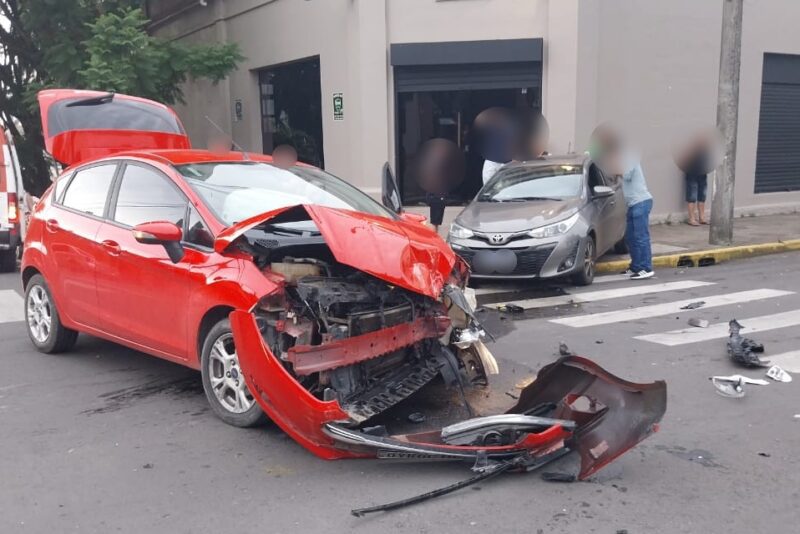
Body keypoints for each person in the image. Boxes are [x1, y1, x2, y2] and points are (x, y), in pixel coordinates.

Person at [589, 124, 654, 280]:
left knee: (640, 236)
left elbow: (624, 172)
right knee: (631, 237)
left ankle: (646, 267)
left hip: (641, 202)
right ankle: (635, 266)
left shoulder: (629, 155)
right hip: (633, 204)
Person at [680, 136, 710, 225]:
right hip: (692, 176)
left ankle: (702, 217)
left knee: (702, 197)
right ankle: (691, 219)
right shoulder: (690, 152)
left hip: (702, 176)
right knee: (692, 197)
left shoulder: (705, 152)